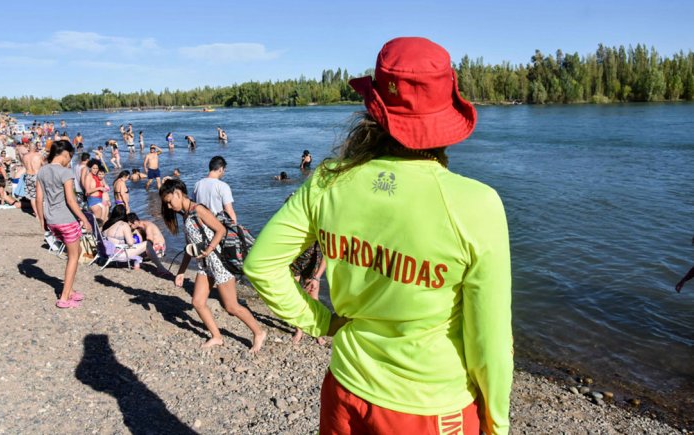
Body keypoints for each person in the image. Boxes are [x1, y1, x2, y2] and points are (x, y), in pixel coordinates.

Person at [243, 37, 513, 434]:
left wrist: (320, 321)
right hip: (430, 407)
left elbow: (261, 264)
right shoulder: (477, 205)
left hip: (345, 390)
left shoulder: (327, 182)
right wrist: (497, 424)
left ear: (374, 111)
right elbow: (490, 342)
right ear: (444, 119)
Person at [159, 179, 267, 352]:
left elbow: (220, 230)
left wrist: (209, 250)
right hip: (205, 266)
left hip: (219, 263)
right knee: (198, 302)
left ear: (178, 193)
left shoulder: (198, 210)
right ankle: (217, 336)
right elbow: (189, 248)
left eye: (170, 202)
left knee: (231, 306)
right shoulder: (187, 215)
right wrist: (181, 272)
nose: (170, 207)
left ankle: (258, 332)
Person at [35, 140, 93, 308]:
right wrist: (84, 219)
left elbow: (39, 199)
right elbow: (71, 200)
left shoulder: (42, 172)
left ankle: (70, 289)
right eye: (70, 157)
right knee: (74, 257)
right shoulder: (66, 173)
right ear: (65, 154)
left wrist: (42, 221)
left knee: (76, 252)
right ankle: (64, 297)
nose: (70, 161)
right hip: (67, 220)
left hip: (52, 221)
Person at [289, 242, 327, 345]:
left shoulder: (322, 230)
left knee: (314, 300)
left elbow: (327, 256)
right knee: (295, 298)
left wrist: (317, 277)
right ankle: (299, 329)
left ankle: (317, 331)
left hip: (313, 264)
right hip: (295, 261)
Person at [126, 213, 173, 277]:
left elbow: (149, 241)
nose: (130, 227)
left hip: (160, 248)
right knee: (135, 249)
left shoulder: (148, 226)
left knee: (143, 248)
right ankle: (139, 261)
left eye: (130, 225)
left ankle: (161, 268)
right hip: (153, 247)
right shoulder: (138, 228)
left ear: (136, 222)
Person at [192, 156, 236, 223]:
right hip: (218, 226)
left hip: (202, 226)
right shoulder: (223, 186)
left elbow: (193, 207)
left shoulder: (197, 185)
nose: (223, 173)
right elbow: (229, 211)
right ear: (221, 169)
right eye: (224, 170)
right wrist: (236, 229)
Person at [102, 204, 146, 270]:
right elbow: (130, 243)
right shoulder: (123, 225)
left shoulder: (106, 224)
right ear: (124, 214)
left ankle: (138, 261)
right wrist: (134, 239)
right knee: (147, 243)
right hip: (119, 255)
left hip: (105, 252)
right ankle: (158, 266)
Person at [22, 141, 44, 218]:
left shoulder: (24, 156)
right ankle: (41, 212)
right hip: (37, 176)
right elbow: (43, 165)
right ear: (35, 148)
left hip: (28, 176)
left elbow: (25, 166)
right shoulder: (38, 155)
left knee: (32, 196)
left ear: (29, 148)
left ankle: (36, 214)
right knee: (40, 194)